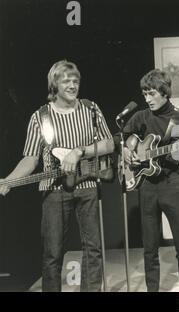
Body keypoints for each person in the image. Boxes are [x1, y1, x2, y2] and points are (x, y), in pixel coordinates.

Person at [0, 60, 114, 292]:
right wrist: (9, 180)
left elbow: (109, 143)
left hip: (88, 184)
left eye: (76, 81)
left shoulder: (91, 109)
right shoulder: (40, 117)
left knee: (93, 248)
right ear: (55, 84)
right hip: (54, 190)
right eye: (66, 81)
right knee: (52, 253)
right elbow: (31, 159)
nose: (73, 85)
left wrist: (79, 151)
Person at [119, 69, 179, 292]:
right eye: (145, 95)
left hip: (173, 184)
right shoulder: (140, 117)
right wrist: (124, 150)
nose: (148, 99)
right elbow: (122, 136)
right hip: (148, 188)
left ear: (165, 92)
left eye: (152, 94)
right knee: (149, 248)